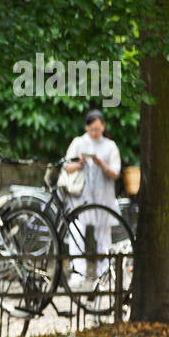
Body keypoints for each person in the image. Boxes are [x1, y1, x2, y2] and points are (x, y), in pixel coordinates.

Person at [63, 108, 121, 284]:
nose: (94, 133)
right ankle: (78, 273)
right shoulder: (79, 142)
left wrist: (101, 164)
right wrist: (80, 163)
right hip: (81, 196)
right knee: (76, 231)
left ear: (103, 126)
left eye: (97, 129)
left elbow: (115, 173)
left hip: (104, 196)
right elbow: (67, 166)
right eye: (91, 130)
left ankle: (104, 274)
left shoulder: (110, 146)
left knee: (103, 235)